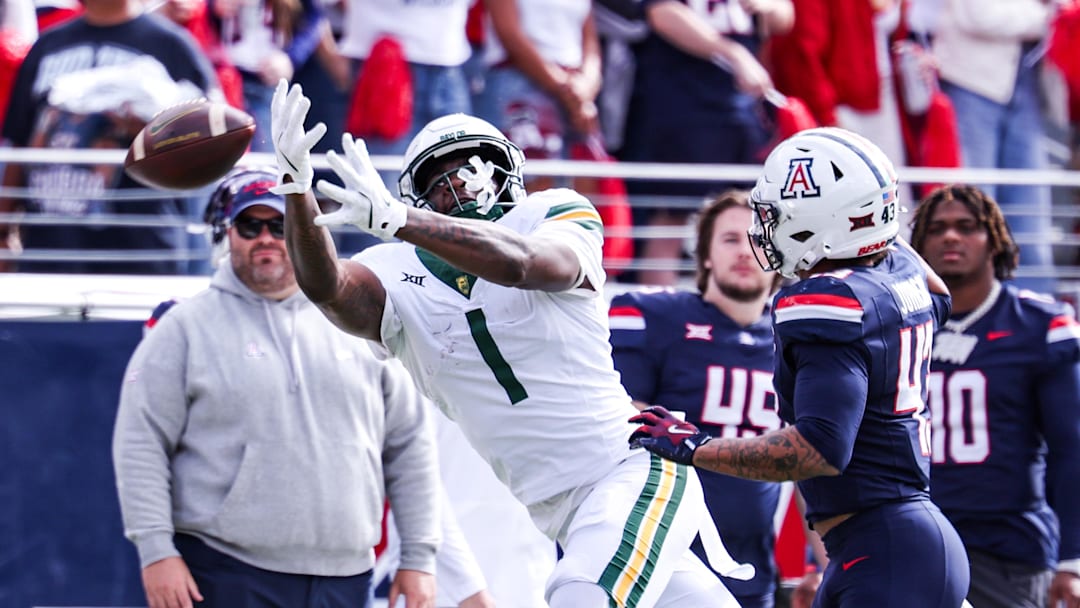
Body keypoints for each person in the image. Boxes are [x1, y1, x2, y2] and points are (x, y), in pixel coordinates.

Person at [269, 80, 750, 607]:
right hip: (562, 513)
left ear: (508, 173)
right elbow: (327, 288)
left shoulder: (553, 213)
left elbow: (528, 264)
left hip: (628, 471)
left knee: (578, 596)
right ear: (417, 193)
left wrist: (403, 221)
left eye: (474, 168)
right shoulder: (395, 269)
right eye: (442, 178)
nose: (461, 186)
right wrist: (296, 189)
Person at [629, 127, 971, 607]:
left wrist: (697, 447)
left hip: (886, 550)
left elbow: (819, 449)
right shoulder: (902, 275)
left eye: (775, 215)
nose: (762, 230)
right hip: (890, 545)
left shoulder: (825, 301)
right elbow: (938, 294)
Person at [111, 166, 440, 608]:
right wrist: (156, 552)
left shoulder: (360, 319)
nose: (266, 237)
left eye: (280, 224)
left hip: (345, 575)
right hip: (225, 569)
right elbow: (140, 442)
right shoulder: (184, 327)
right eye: (250, 224)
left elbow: (410, 445)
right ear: (227, 234)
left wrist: (419, 557)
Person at [608, 191, 785, 608]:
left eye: (759, 240)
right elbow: (615, 417)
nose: (746, 250)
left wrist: (821, 562)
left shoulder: (792, 340)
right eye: (730, 239)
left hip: (749, 565)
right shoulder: (654, 315)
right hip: (657, 556)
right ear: (704, 254)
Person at [909, 184, 1080, 608]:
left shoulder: (1040, 325)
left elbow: (1072, 448)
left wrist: (1073, 558)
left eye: (967, 227)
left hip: (1005, 548)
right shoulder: (899, 323)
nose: (951, 237)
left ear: (994, 240)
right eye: (938, 228)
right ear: (919, 244)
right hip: (913, 542)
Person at [0, 0, 219, 274]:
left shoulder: (172, 44)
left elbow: (214, 138)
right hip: (50, 249)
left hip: (141, 250)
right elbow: (20, 141)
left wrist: (147, 130)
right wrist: (4, 229)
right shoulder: (48, 44)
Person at [616, 0, 793, 286]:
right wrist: (730, 53)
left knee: (750, 218)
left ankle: (748, 319)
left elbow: (784, 17)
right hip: (683, 103)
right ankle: (661, 319)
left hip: (744, 110)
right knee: (670, 219)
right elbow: (660, 13)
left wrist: (768, 7)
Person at [931, 0, 1058, 294]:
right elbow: (981, 15)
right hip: (970, 83)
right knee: (973, 206)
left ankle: (1035, 315)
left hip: (1027, 84)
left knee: (1030, 211)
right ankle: (968, 307)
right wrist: (1053, 17)